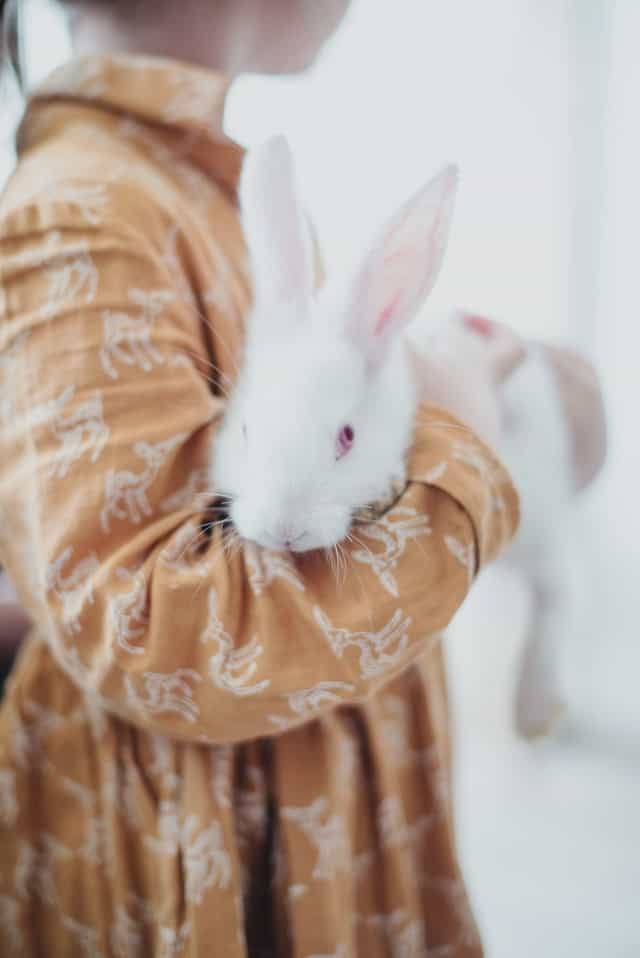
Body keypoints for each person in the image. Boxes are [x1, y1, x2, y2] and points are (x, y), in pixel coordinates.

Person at [0, 1, 525, 954]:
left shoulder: (195, 187)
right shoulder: (84, 216)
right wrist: (463, 451)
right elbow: (151, 639)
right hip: (198, 828)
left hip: (326, 792)